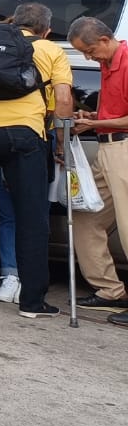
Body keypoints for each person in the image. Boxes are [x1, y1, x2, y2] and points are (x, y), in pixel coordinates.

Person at [0, 4, 74, 316]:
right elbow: (63, 100)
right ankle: (32, 302)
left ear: (14, 23)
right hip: (24, 134)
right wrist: (60, 143)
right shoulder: (50, 49)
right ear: (45, 29)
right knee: (31, 217)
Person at [67, 17, 128, 324]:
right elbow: (116, 110)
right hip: (107, 147)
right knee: (86, 215)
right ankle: (109, 291)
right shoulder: (109, 62)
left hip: (124, 148)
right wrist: (94, 116)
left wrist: (95, 123)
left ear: (105, 40)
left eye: (89, 51)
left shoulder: (127, 61)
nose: (89, 58)